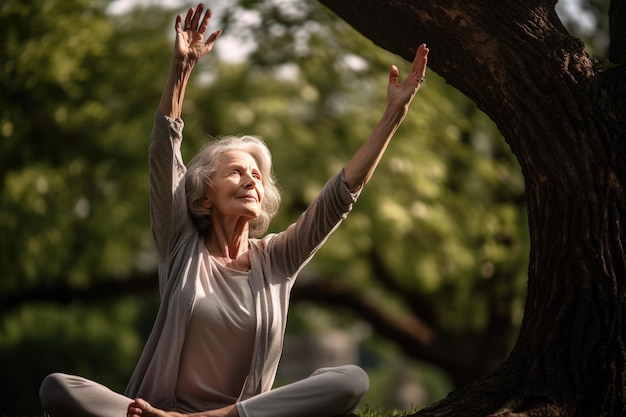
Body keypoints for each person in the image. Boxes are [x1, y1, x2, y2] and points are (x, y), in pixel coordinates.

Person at [38, 3, 429, 417]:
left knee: (351, 380)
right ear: (204, 193)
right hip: (154, 411)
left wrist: (393, 115)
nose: (251, 180)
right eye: (237, 172)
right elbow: (162, 156)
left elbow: (340, 196)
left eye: (258, 176)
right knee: (58, 387)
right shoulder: (181, 245)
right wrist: (181, 70)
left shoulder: (277, 259)